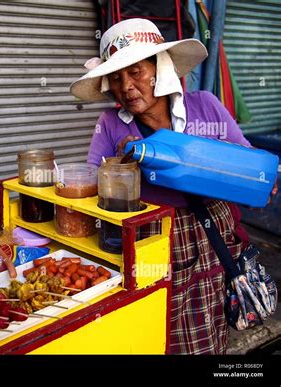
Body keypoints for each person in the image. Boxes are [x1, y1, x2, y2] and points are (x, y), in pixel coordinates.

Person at [70, 18, 277, 354]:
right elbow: (93, 179)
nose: (126, 86)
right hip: (153, 236)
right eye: (117, 77)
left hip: (211, 233)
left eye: (135, 72)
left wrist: (257, 180)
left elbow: (249, 164)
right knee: (153, 327)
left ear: (159, 69)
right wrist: (118, 167)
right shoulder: (110, 123)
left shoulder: (205, 107)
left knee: (204, 332)